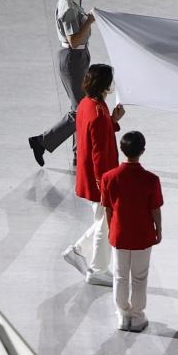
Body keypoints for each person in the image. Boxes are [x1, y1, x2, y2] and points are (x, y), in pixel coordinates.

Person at [28, 0, 96, 166]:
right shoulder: (67, 5)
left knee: (80, 105)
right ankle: (42, 141)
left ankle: (78, 153)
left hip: (79, 56)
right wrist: (89, 21)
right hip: (73, 57)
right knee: (81, 110)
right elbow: (74, 39)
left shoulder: (72, 1)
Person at [64, 63, 124, 285]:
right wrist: (104, 186)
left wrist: (114, 121)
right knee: (104, 224)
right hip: (99, 179)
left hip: (89, 176)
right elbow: (99, 154)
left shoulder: (87, 104)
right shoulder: (99, 112)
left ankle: (77, 251)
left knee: (103, 221)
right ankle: (97, 270)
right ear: (105, 85)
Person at [100, 131, 163, 332]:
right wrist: (158, 229)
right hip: (142, 235)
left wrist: (112, 230)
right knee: (139, 276)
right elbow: (155, 208)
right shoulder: (151, 179)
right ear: (142, 151)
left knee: (120, 276)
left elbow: (107, 208)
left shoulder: (109, 178)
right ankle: (136, 316)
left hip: (119, 233)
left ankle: (122, 314)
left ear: (122, 149)